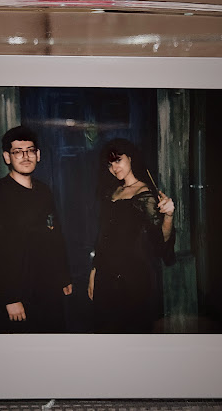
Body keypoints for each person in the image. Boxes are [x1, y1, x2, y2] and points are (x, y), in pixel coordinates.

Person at [0, 125, 73, 333]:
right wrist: (9, 298)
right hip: (18, 295)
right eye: (18, 152)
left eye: (30, 150)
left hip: (48, 288)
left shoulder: (43, 191)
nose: (25, 156)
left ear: (38, 154)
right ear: (7, 157)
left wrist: (63, 276)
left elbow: (55, 235)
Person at [88, 138, 176, 333]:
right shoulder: (112, 191)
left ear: (130, 157)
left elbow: (160, 242)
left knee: (131, 333)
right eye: (110, 164)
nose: (114, 168)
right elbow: (102, 236)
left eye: (118, 160)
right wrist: (94, 272)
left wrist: (169, 216)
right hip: (105, 275)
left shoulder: (145, 194)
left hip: (132, 279)